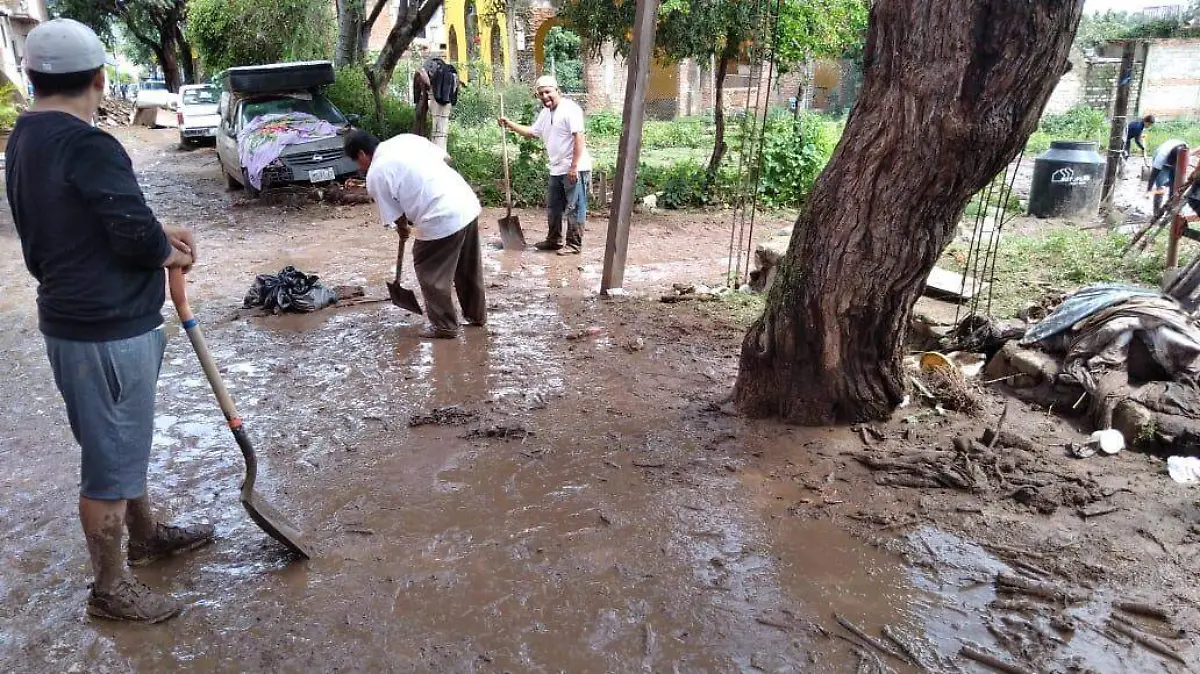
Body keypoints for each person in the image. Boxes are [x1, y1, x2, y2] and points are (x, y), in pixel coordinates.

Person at [5, 19, 213, 624]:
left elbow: (102, 218)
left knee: (120, 443)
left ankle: (145, 536)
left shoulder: (26, 136)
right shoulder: (90, 144)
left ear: (33, 77)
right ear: (100, 78)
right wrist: (168, 251)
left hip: (74, 319)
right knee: (109, 459)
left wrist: (154, 232)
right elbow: (127, 232)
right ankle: (111, 588)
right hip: (108, 327)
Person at [344, 130, 486, 339]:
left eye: (358, 161)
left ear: (363, 154)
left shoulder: (376, 173)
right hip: (465, 202)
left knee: (428, 266)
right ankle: (476, 315)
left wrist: (403, 228)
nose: (360, 167)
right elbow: (446, 159)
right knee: (467, 266)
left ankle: (445, 326)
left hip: (440, 214)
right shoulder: (405, 140)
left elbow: (397, 216)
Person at [498, 75, 593, 255]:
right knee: (553, 206)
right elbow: (532, 132)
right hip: (557, 168)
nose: (544, 96)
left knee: (575, 207)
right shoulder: (545, 113)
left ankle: (574, 244)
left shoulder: (570, 109)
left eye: (548, 92)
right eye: (541, 93)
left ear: (557, 91)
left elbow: (578, 138)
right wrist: (509, 123)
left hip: (574, 167)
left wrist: (574, 166)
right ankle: (554, 240)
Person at [1148, 138, 1188, 216]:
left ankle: (1170, 209)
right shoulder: (1161, 157)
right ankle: (1156, 213)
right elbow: (1153, 175)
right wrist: (1149, 189)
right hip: (1163, 163)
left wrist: (1172, 183)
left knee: (1174, 186)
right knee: (1160, 187)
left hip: (1177, 159)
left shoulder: (1185, 150)